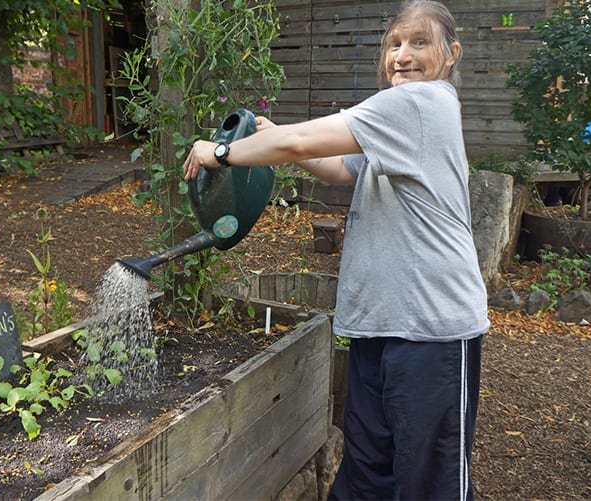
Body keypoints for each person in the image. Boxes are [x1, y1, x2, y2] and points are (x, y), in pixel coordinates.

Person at [183, 0, 489, 499]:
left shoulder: (423, 103)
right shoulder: (398, 119)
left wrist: (218, 152)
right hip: (379, 324)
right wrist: (274, 136)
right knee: (368, 473)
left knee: (428, 484)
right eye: (394, 44)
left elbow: (303, 143)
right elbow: (339, 166)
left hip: (431, 331)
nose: (402, 56)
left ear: (451, 53)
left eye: (419, 42)